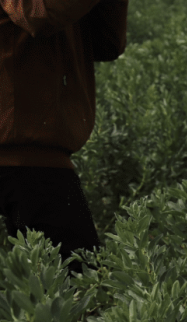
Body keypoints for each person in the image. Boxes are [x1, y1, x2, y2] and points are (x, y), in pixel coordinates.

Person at [0, 0, 128, 270]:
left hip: (35, 160)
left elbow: (106, 42)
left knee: (78, 291)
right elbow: (38, 14)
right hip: (20, 160)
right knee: (80, 293)